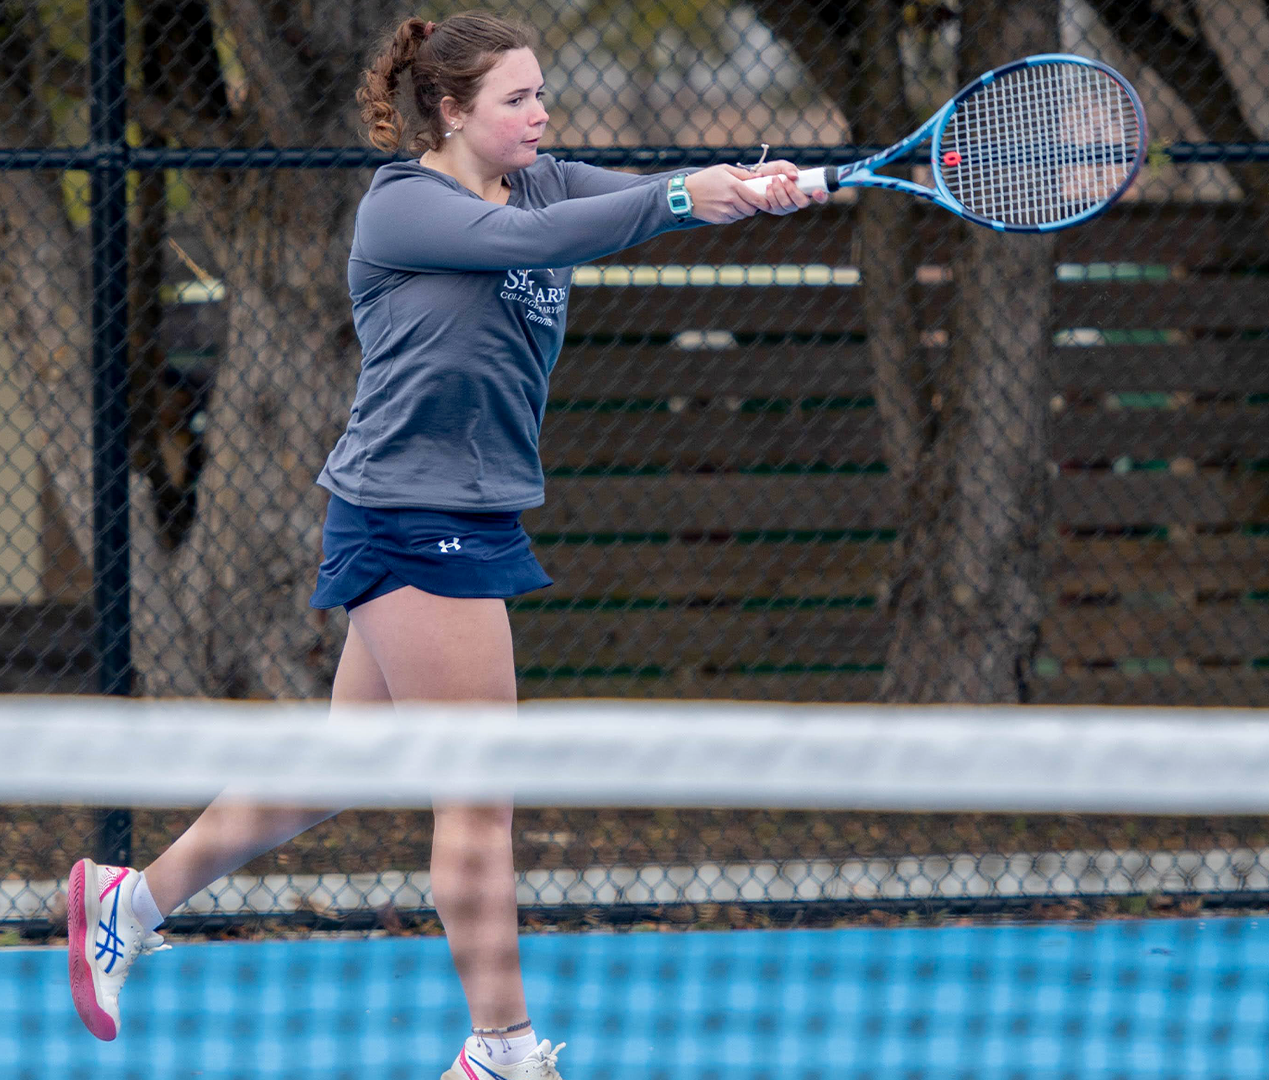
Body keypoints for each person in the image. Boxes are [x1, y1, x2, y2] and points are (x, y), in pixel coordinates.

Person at [62, 9, 825, 1079]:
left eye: (541, 94)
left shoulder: (547, 180)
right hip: (412, 518)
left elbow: (642, 196)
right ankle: (502, 1051)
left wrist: (752, 182)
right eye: (516, 98)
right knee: (477, 791)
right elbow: (539, 243)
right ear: (451, 110)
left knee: (343, 766)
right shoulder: (404, 207)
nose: (540, 113)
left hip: (465, 510)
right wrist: (684, 198)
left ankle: (128, 903)